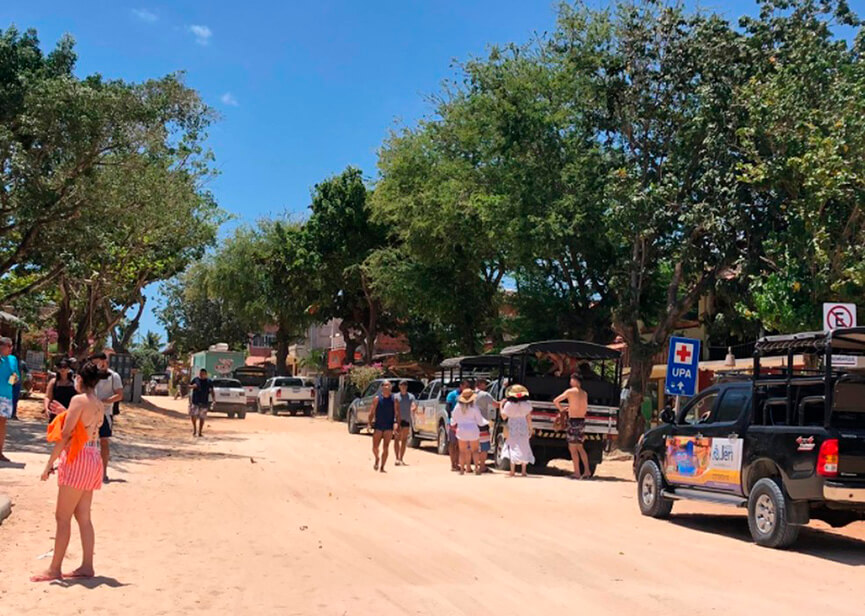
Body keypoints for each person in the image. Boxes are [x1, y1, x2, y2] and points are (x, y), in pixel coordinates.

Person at [31, 360, 105, 583]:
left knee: (62, 517)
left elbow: (65, 436)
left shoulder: (78, 400)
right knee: (83, 516)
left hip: (77, 458)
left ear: (80, 379)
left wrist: (48, 465)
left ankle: (55, 569)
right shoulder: (98, 402)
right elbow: (85, 427)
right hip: (93, 457)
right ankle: (87, 565)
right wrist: (66, 413)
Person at [91, 352, 123, 484]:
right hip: (90, 412)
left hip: (105, 413)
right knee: (88, 442)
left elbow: (119, 395)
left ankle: (103, 472)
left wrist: (107, 401)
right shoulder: (91, 374)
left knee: (104, 442)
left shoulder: (114, 376)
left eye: (99, 361)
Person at [554, 373, 591, 480]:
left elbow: (556, 401)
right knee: (580, 447)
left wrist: (562, 409)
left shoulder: (570, 392)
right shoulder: (584, 393)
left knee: (572, 448)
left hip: (573, 420)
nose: (570, 382)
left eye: (571, 380)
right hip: (581, 421)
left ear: (575, 380)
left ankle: (577, 472)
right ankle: (587, 470)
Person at [500, 384, 535, 477]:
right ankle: (523, 471)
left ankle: (512, 471)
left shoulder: (508, 405)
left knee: (512, 447)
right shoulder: (527, 404)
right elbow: (529, 417)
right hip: (523, 425)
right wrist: (531, 428)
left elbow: (504, 416)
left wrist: (501, 406)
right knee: (524, 446)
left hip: (512, 426)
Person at [450, 388, 486, 475]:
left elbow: (453, 420)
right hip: (473, 429)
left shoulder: (458, 407)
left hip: (461, 429)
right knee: (475, 450)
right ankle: (476, 468)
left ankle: (462, 469)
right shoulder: (474, 407)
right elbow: (480, 421)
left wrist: (453, 424)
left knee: (462, 451)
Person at [367, 381, 398, 472]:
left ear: (391, 387)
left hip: (388, 425)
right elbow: (371, 412)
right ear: (382, 387)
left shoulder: (394, 399)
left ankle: (382, 466)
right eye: (385, 385)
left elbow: (396, 413)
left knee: (386, 447)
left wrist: (396, 423)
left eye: (388, 385)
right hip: (378, 425)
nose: (386, 387)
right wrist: (369, 423)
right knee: (375, 447)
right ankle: (377, 458)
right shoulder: (377, 399)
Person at [474, 378, 500, 472]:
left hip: (472, 424)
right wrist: (504, 402)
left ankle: (473, 466)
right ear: (481, 384)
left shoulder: (470, 395)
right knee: (484, 446)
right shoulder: (485, 395)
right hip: (482, 424)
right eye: (485, 384)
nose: (486, 386)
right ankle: (482, 466)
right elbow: (496, 404)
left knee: (474, 446)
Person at [445, 379, 470, 472]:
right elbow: (448, 407)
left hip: (463, 423)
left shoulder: (468, 395)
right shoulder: (452, 395)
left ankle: (458, 463)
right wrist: (452, 420)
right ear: (461, 386)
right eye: (466, 386)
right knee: (452, 443)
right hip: (453, 422)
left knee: (460, 444)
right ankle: (453, 463)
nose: (467, 388)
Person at [0, 337, 18, 462]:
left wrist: (15, 378)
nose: (5, 347)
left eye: (8, 345)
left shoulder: (13, 359)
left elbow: (15, 379)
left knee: (2, 424)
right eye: (2, 345)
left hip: (6, 395)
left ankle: (0, 452)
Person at [392, 380, 417, 466]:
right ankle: (396, 458)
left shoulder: (411, 397)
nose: (403, 386)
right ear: (399, 386)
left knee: (404, 440)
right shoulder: (395, 396)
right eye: (402, 385)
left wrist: (413, 408)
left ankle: (401, 458)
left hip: (406, 420)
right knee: (396, 439)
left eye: (405, 385)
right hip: (397, 420)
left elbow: (414, 404)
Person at [45, 359, 76, 424]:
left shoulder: (74, 383)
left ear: (69, 368)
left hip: (69, 412)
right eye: (60, 367)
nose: (62, 369)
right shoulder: (53, 382)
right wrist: (46, 408)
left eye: (65, 367)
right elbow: (48, 396)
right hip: (55, 411)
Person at [189, 369, 215, 437]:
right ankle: (194, 429)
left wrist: (214, 399)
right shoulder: (195, 379)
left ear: (206, 374)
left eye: (203, 373)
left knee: (202, 418)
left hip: (204, 402)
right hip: (195, 402)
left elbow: (212, 391)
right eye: (200, 373)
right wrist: (192, 386)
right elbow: (191, 386)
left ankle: (200, 431)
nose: (201, 375)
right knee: (193, 416)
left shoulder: (209, 381)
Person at [11, 355, 26, 420]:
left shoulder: (9, 361)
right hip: (16, 380)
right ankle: (12, 413)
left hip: (13, 379)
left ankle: (12, 413)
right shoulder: (21, 362)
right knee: (14, 398)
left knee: (13, 398)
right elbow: (27, 371)